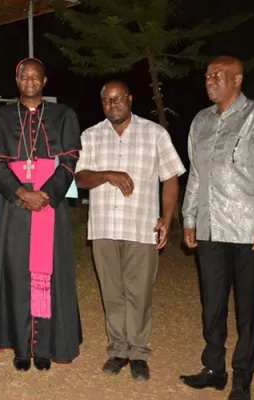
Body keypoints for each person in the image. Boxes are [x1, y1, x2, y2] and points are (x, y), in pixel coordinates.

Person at [0, 58, 82, 371]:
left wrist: (44, 195)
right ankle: (22, 347)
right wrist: (22, 193)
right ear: (17, 80)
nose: (31, 81)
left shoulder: (64, 115)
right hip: (15, 207)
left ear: (45, 82)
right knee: (16, 272)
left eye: (36, 76)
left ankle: (45, 346)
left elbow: (69, 162)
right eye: (25, 76)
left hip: (51, 204)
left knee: (49, 272)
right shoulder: (2, 116)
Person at [74, 81, 186, 381]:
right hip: (104, 228)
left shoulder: (155, 134)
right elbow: (81, 178)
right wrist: (108, 174)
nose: (114, 104)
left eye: (119, 98)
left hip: (141, 226)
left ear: (130, 99)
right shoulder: (92, 135)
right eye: (108, 100)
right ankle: (118, 350)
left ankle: (138, 353)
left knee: (139, 293)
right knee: (112, 293)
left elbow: (171, 176)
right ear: (102, 104)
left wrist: (167, 217)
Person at [179, 56, 254, 400]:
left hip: (249, 229)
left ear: (238, 80)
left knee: (247, 308)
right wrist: (189, 218)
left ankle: (243, 376)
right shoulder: (200, 122)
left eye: (217, 75)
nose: (210, 80)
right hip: (210, 228)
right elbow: (196, 174)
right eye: (207, 75)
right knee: (212, 304)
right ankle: (214, 368)